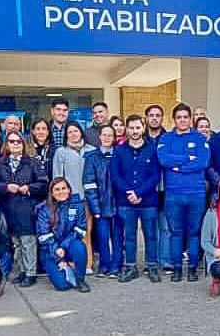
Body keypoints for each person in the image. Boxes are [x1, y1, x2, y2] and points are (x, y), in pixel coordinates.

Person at [156, 103, 210, 282]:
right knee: (176, 232)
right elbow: (164, 159)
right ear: (174, 119)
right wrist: (187, 159)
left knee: (194, 232)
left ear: (190, 119)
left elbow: (202, 162)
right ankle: (177, 268)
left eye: (185, 117)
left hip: (196, 193)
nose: (182, 120)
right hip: (173, 194)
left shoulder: (200, 138)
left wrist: (177, 167)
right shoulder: (165, 138)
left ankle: (193, 268)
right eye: (179, 117)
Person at [0, 130, 48, 287]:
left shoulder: (33, 162)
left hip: (27, 208)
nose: (15, 144)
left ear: (23, 144)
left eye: (18, 141)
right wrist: (6, 187)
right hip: (8, 208)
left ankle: (31, 273)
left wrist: (28, 188)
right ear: (6, 144)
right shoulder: (0, 163)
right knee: (16, 243)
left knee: (28, 241)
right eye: (11, 141)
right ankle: (22, 271)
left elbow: (43, 184)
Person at [111, 115, 162, 283]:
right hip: (126, 201)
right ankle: (130, 266)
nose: (134, 131)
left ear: (143, 128)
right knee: (130, 236)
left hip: (148, 201)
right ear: (126, 129)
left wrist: (139, 193)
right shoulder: (119, 150)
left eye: (137, 128)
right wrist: (129, 193)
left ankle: (152, 266)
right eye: (131, 128)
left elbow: (155, 175)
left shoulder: (153, 148)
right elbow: (115, 175)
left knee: (151, 235)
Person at [36, 177, 91, 292]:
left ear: (69, 189)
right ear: (52, 193)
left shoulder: (78, 205)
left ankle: (80, 279)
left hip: (69, 245)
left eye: (63, 188)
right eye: (57, 189)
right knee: (62, 285)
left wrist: (63, 247)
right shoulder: (44, 209)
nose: (61, 192)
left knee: (79, 247)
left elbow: (81, 229)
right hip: (50, 251)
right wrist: (58, 257)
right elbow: (43, 236)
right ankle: (67, 266)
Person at [84, 125, 122, 278]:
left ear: (114, 138)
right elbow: (89, 184)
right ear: (99, 137)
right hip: (100, 204)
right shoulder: (92, 157)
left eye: (110, 135)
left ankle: (117, 265)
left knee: (118, 237)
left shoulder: (119, 155)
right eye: (104, 135)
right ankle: (104, 264)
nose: (107, 138)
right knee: (103, 236)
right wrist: (95, 208)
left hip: (119, 204)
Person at [143, 104, 169, 269]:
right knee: (149, 229)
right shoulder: (140, 139)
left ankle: (165, 261)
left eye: (157, 115)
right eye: (151, 115)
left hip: (166, 188)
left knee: (165, 227)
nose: (154, 118)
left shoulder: (169, 138)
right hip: (147, 189)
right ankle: (150, 262)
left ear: (162, 118)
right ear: (146, 118)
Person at [52, 121, 93, 196]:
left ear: (81, 132)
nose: (73, 134)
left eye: (76, 131)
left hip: (91, 195)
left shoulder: (92, 150)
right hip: (71, 196)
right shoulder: (61, 152)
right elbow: (57, 177)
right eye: (70, 132)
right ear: (66, 135)